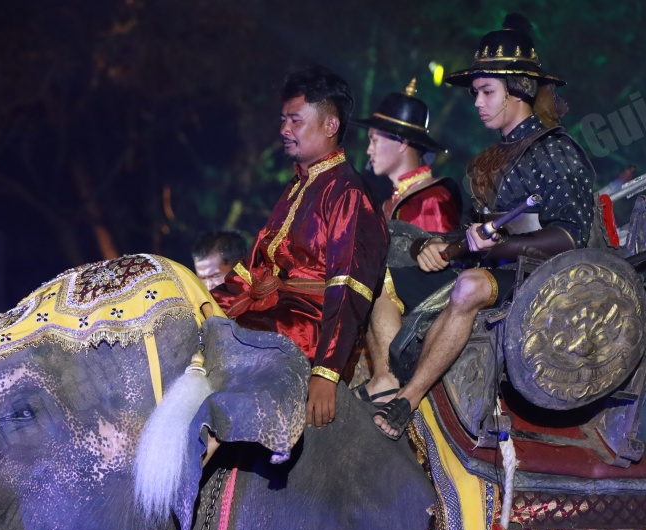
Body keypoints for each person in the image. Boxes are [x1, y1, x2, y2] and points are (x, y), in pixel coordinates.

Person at [371, 15, 595, 440]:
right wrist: (434, 246)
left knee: (470, 285)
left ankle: (408, 400)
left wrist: (498, 246)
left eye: (487, 91)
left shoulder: (555, 150)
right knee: (379, 279)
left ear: (519, 90)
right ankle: (384, 379)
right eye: (475, 92)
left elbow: (570, 236)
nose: (477, 101)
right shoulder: (489, 158)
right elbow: (472, 232)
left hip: (533, 280)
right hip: (484, 267)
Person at [213, 64, 388, 428]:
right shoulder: (298, 186)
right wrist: (204, 304)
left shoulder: (348, 193)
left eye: (294, 120)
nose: (284, 129)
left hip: (305, 328)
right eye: (283, 120)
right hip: (269, 314)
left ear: (330, 125)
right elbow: (254, 269)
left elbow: (348, 288)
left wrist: (325, 372)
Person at [354, 80, 463, 401]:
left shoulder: (434, 196)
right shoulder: (388, 202)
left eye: (375, 140)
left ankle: (388, 378)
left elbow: (439, 265)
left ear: (402, 143)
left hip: (431, 299)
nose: (369, 150)